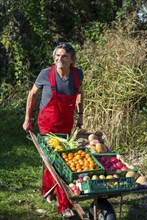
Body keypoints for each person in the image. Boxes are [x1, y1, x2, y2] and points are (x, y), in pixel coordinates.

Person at [22, 42, 84, 218]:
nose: (59, 59)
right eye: (57, 55)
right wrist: (27, 118)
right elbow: (32, 94)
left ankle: (46, 189)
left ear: (72, 59)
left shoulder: (77, 75)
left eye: (64, 55)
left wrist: (80, 115)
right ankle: (64, 206)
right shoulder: (45, 74)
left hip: (66, 123)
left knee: (55, 159)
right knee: (58, 162)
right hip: (47, 123)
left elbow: (79, 94)